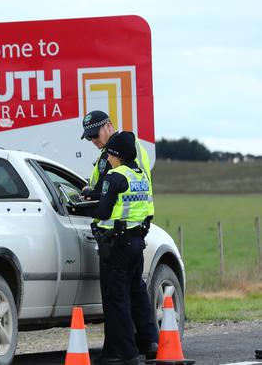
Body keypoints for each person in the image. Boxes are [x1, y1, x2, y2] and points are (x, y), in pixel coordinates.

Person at [91, 132, 158, 364]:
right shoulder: (140, 176)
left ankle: (126, 353)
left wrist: (82, 207)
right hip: (137, 242)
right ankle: (149, 341)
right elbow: (148, 210)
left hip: (116, 245)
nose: (107, 156)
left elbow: (103, 212)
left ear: (116, 155)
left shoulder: (114, 176)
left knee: (117, 299)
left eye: (109, 153)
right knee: (137, 292)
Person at [80, 110, 152, 201]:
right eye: (89, 137)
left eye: (95, 134)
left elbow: (103, 190)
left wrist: (89, 195)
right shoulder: (132, 143)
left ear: (109, 126)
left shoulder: (113, 152)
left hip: (123, 211)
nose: (93, 140)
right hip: (143, 206)